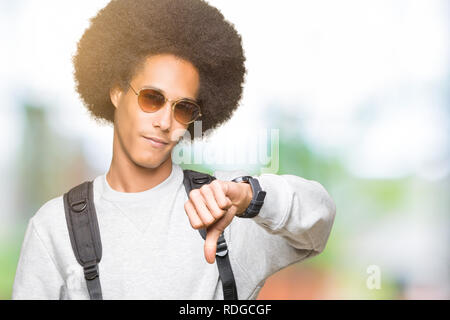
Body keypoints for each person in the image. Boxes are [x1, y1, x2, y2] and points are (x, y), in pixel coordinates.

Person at [11, 0, 336, 300]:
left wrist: (250, 198)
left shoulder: (225, 206)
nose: (166, 122)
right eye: (152, 98)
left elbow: (320, 219)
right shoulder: (54, 228)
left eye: (182, 108)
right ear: (116, 92)